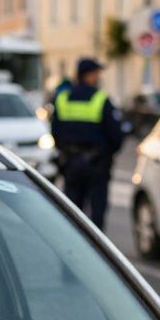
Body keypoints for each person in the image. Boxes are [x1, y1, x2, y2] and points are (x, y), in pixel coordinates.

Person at [51, 58, 123, 230]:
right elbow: (116, 136)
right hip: (96, 164)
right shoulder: (100, 99)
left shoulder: (62, 98)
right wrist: (107, 154)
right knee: (97, 211)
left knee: (73, 213)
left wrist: (66, 151)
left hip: (71, 162)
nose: (98, 77)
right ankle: (96, 251)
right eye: (96, 73)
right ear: (87, 75)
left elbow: (55, 132)